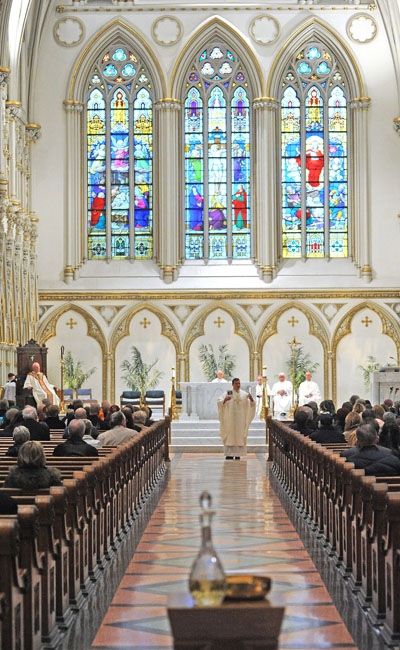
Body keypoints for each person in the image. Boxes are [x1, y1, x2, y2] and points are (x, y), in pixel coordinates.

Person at [217, 377, 255, 460]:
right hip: (230, 419)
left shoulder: (244, 394)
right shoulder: (228, 393)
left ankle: (238, 453)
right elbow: (219, 401)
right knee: (230, 434)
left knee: (239, 435)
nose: (238, 385)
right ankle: (229, 454)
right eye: (236, 383)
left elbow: (252, 404)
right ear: (233, 384)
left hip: (240, 420)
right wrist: (224, 400)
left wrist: (251, 399)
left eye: (239, 383)